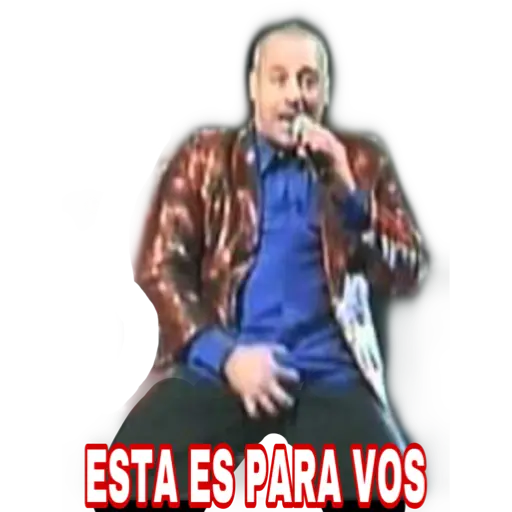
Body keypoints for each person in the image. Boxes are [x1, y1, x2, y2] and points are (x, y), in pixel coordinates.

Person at [81, 14, 434, 501]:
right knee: (117, 477)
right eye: (279, 79)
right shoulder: (203, 154)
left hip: (330, 374)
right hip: (226, 363)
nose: (294, 96)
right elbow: (157, 264)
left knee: (395, 485)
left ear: (326, 92)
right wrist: (225, 356)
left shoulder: (363, 157)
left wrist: (349, 194)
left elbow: (410, 269)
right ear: (253, 88)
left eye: (308, 81)